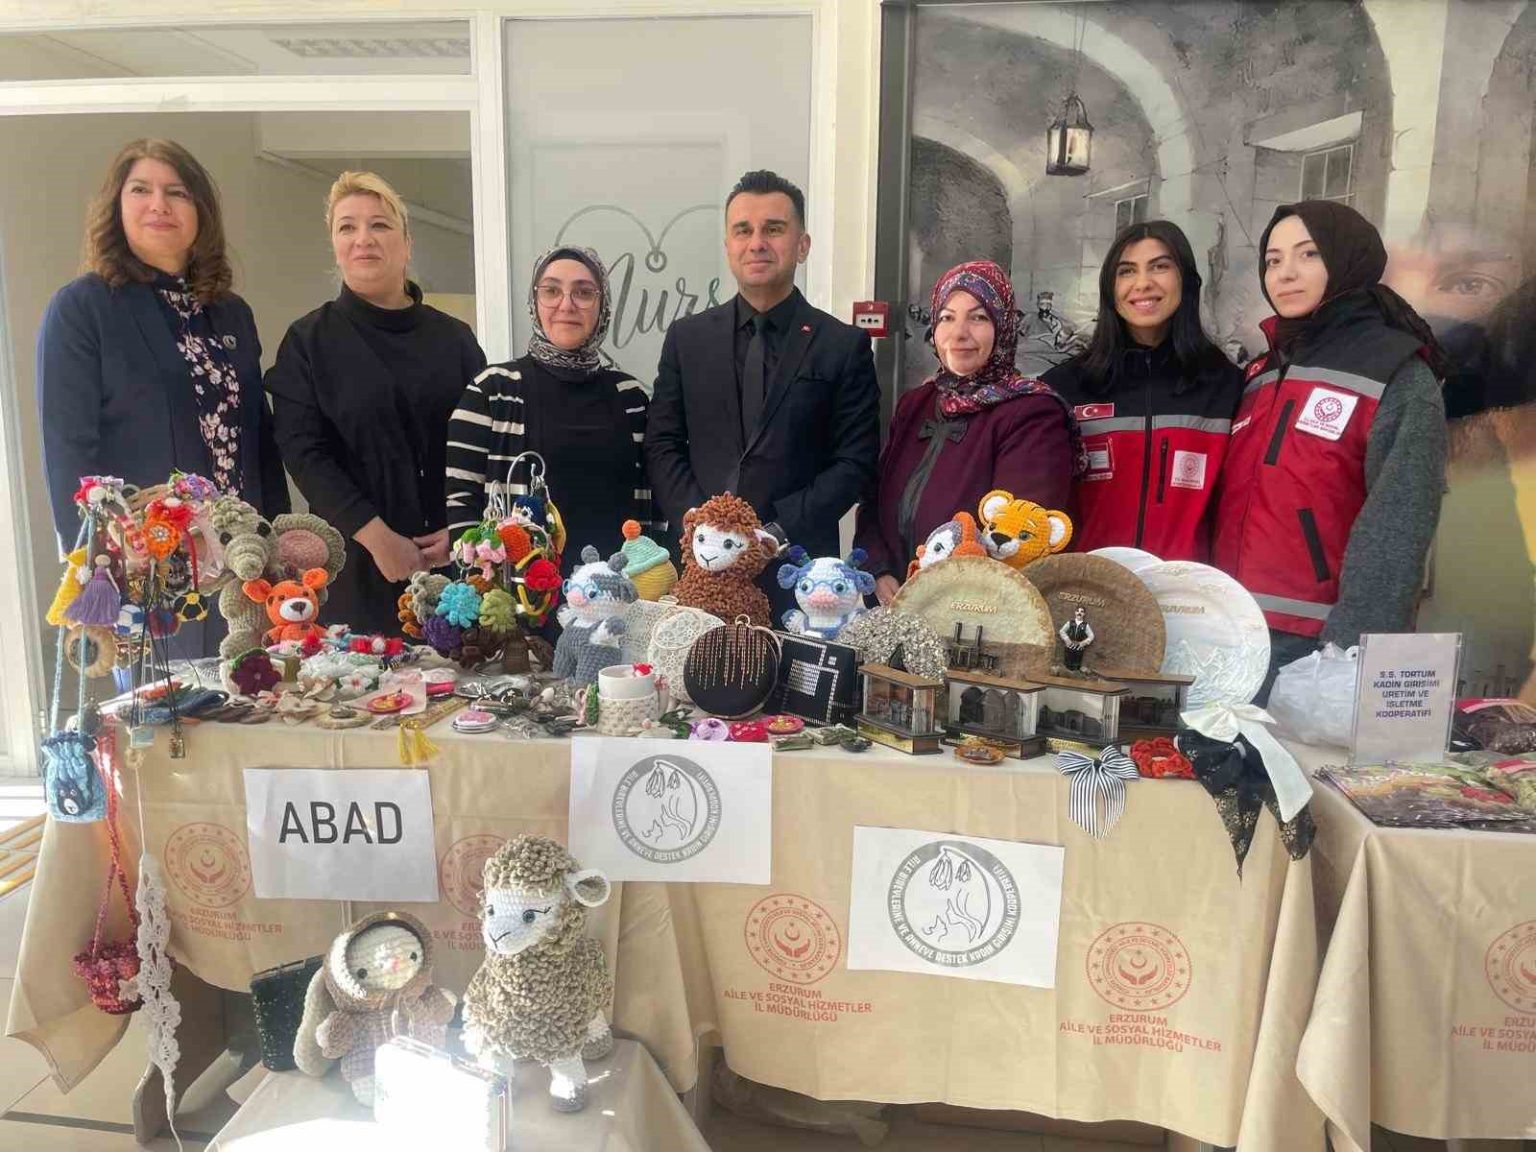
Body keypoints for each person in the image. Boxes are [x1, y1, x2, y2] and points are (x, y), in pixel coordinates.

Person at [37, 139, 289, 659]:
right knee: (172, 706)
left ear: (201, 211)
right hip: (150, 569)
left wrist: (277, 543)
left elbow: (258, 437)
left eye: (177, 192)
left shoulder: (231, 313)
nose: (159, 205)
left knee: (259, 693)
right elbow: (68, 451)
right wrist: (96, 566)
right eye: (141, 190)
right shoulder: (83, 309)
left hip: (241, 563)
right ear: (116, 205)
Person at [1211, 200, 1450, 688]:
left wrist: (1347, 654)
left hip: (1315, 643)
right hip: (1231, 632)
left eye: (1309, 254)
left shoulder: (1395, 372)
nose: (1285, 273)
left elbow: (1398, 526)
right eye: (1273, 260)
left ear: (1347, 259)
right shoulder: (1261, 371)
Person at [266, 171, 486, 635]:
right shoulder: (308, 341)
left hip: (454, 571)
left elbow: (482, 449)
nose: (363, 238)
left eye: (380, 225)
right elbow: (304, 454)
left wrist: (463, 529)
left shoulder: (456, 340)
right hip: (356, 567)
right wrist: (378, 538)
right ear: (335, 245)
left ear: (406, 244)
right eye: (347, 227)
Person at [645, 169, 880, 588]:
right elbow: (662, 443)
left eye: (773, 229)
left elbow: (854, 462)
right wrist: (702, 526)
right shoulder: (687, 339)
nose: (756, 242)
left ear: (802, 245)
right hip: (700, 568)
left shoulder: (843, 346)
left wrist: (775, 533)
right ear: (728, 246)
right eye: (743, 230)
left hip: (799, 575)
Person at [855, 260, 1075, 604]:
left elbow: (1019, 540)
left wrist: (939, 596)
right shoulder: (916, 404)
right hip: (894, 603)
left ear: (1003, 326)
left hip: (972, 612)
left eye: (978, 317)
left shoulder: (1032, 414)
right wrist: (879, 570)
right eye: (946, 317)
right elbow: (873, 501)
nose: (959, 333)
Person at [1045, 220, 1243, 561]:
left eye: (1160, 267)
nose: (1142, 283)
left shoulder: (1226, 386)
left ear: (1186, 279)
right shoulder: (1064, 388)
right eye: (1126, 271)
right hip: (1088, 586)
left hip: (1188, 589)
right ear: (1110, 288)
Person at [445, 245, 651, 572]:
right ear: (535, 302)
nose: (566, 305)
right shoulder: (492, 391)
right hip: (520, 594)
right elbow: (461, 502)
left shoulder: (631, 397)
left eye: (584, 292)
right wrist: (480, 581)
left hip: (619, 589)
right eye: (551, 291)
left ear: (603, 306)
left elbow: (650, 504)